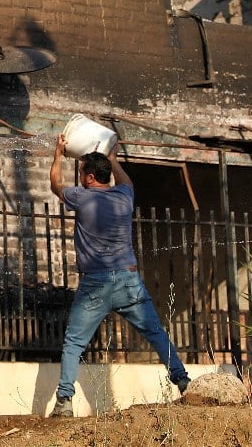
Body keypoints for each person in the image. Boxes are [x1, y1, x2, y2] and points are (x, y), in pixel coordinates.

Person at [48, 133, 189, 418]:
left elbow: (55, 185)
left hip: (95, 283)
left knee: (75, 342)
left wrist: (59, 154)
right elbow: (127, 181)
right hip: (128, 281)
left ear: (88, 178)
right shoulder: (124, 197)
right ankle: (183, 380)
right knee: (156, 333)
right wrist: (114, 159)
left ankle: (64, 402)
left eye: (81, 172)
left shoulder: (81, 197)